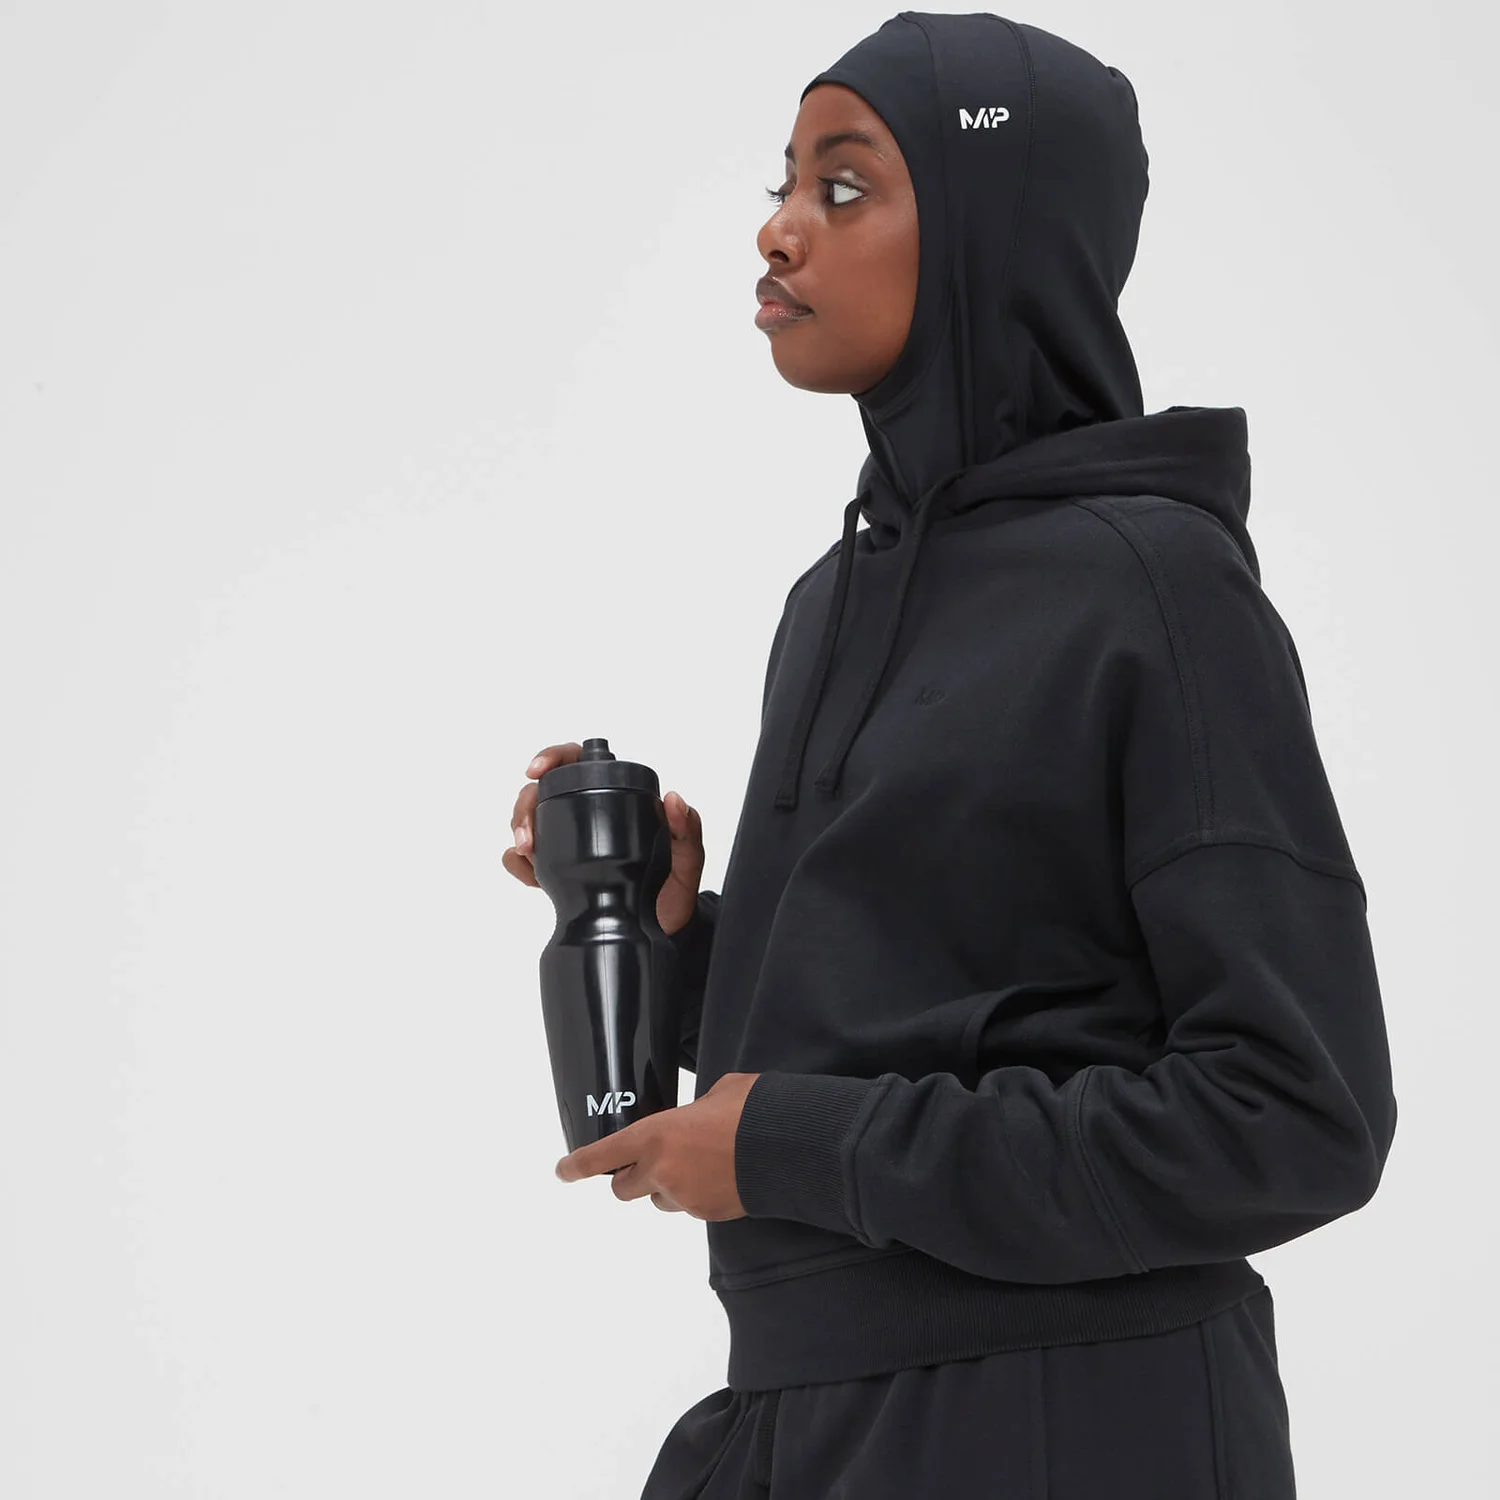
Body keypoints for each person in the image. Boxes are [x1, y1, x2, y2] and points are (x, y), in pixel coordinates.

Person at [507, 11, 1398, 1497]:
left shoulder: (1157, 586)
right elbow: (953, 1020)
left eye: (845, 185)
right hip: (814, 1411)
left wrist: (799, 1148)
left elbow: (1298, 1115)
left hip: (1075, 1423)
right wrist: (679, 951)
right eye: (784, 182)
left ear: (997, 230)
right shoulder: (833, 600)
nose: (779, 229)